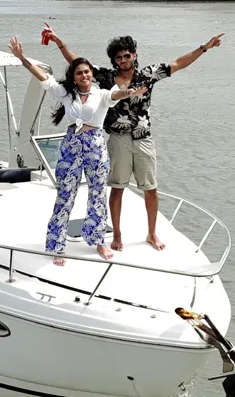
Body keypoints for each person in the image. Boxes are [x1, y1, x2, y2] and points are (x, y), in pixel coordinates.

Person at [44, 25, 224, 251]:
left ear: (134, 55)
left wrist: (205, 47)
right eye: (118, 57)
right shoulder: (106, 77)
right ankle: (117, 236)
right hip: (117, 138)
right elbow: (77, 63)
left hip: (143, 138)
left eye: (127, 55)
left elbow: (179, 63)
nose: (123, 60)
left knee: (150, 188)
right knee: (117, 187)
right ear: (114, 60)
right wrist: (59, 42)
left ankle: (151, 234)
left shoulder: (147, 74)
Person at [8, 35, 145, 265]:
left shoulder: (101, 93)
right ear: (74, 76)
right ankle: (56, 245)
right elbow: (43, 77)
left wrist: (128, 93)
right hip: (71, 145)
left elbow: (115, 95)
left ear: (92, 73)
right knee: (65, 195)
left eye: (87, 72)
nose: (84, 75)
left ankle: (99, 241)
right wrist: (22, 58)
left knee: (98, 193)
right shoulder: (66, 93)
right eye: (79, 73)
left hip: (95, 145)